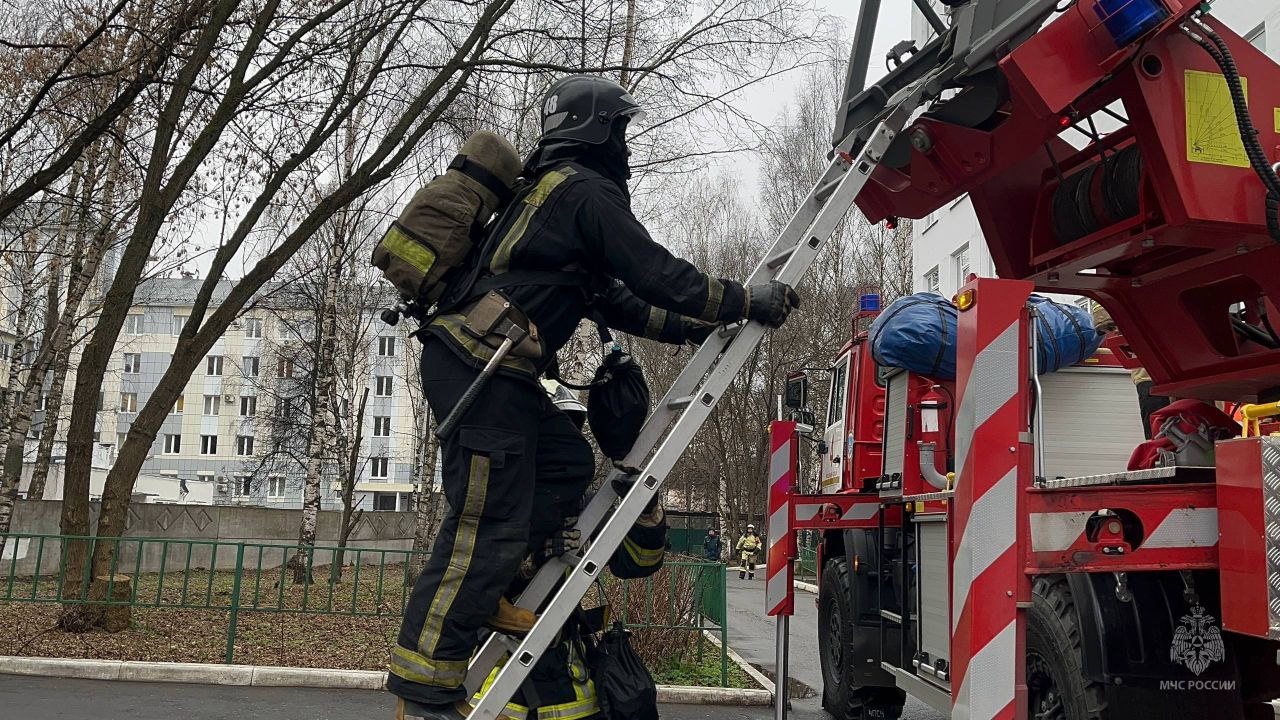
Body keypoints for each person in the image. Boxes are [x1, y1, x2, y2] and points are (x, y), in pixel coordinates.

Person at [389, 74, 800, 720]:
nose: (627, 149)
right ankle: (426, 688)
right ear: (597, 131)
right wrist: (745, 301)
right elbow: (657, 272)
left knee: (565, 463)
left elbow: (627, 301)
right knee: (483, 524)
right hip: (480, 370)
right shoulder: (584, 192)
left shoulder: (552, 203)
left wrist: (704, 326)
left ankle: (499, 577)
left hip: (495, 374)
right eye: (622, 132)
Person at [1091, 303, 1171, 438]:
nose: (1114, 333)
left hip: (1154, 381)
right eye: (1108, 330)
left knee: (1160, 440)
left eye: (1112, 328)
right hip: (1153, 381)